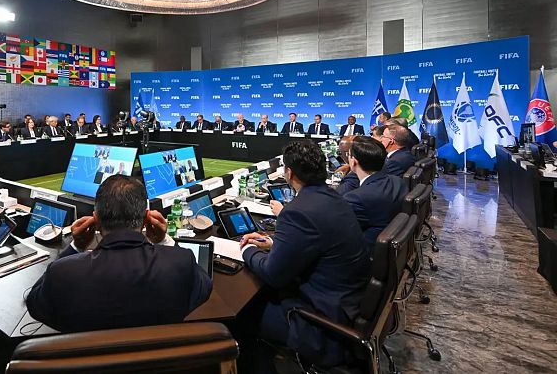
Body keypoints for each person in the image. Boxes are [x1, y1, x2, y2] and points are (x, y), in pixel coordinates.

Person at [238, 139, 370, 369]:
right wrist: (272, 243)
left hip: (322, 325)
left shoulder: (297, 211)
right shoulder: (333, 197)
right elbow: (315, 242)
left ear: (289, 173)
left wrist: (248, 251)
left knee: (241, 316)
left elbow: (273, 274)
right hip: (349, 304)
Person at [26, 175, 212, 332]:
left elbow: (35, 304)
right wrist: (164, 241)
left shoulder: (63, 272)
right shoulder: (180, 262)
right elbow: (204, 288)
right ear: (147, 218)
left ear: (96, 220)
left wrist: (76, 246)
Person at [342, 136, 408, 253]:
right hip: (392, 252)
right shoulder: (398, 182)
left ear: (353, 162)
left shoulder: (355, 199)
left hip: (364, 256)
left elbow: (340, 235)